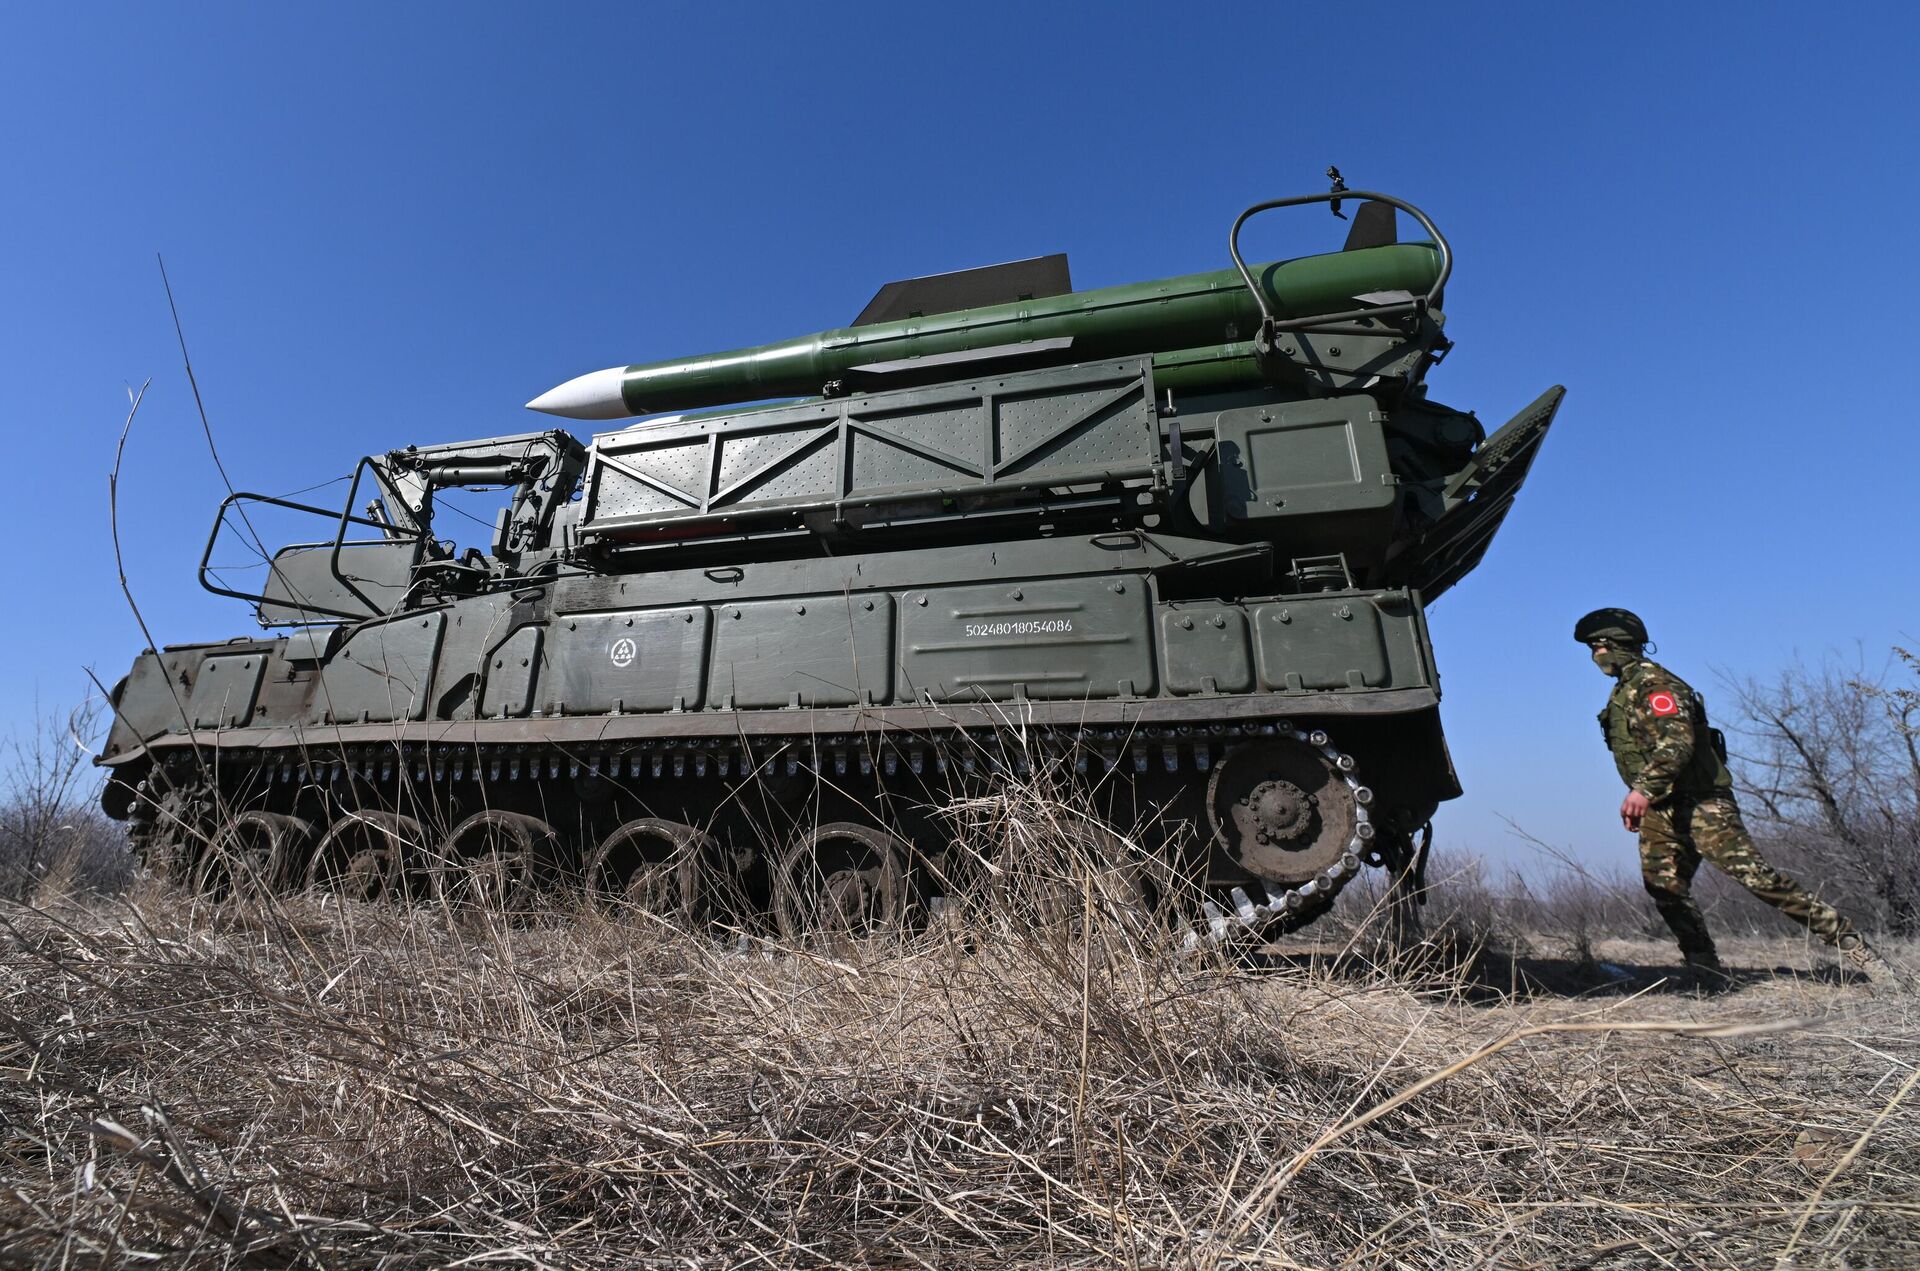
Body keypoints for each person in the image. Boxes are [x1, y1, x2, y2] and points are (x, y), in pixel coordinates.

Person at [1573, 607, 1898, 989]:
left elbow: (1678, 743)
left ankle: (1855, 947)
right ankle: (1704, 970)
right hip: (1663, 807)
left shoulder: (1654, 684)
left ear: (1614, 646)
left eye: (1597, 648)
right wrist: (1645, 796)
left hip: (1702, 803)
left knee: (1759, 880)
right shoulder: (1625, 689)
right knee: (1664, 887)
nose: (1596, 657)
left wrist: (1642, 790)